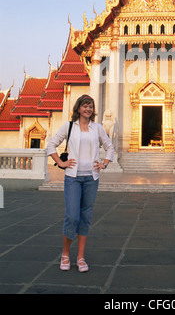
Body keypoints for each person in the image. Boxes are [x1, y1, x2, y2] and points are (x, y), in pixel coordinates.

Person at [47, 94, 114, 272]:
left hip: (91, 178)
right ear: (78, 108)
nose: (88, 109)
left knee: (85, 217)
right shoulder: (69, 127)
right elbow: (51, 145)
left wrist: (104, 163)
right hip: (73, 177)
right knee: (72, 216)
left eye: (90, 106)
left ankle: (81, 257)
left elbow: (109, 147)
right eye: (85, 106)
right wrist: (60, 163)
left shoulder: (97, 128)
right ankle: (66, 254)